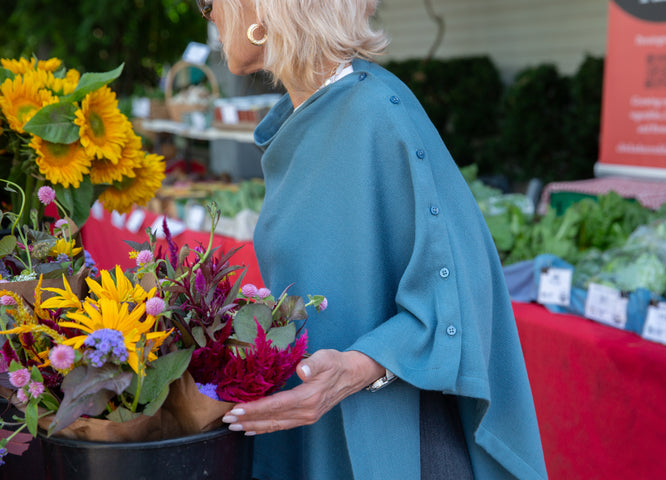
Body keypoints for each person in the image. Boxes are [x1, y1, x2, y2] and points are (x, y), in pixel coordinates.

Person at [201, 1, 548, 478]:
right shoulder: (305, 115)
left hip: (392, 439)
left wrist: (356, 369)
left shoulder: (376, 112)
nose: (209, 15)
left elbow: (458, 294)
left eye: (207, 1)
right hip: (319, 430)